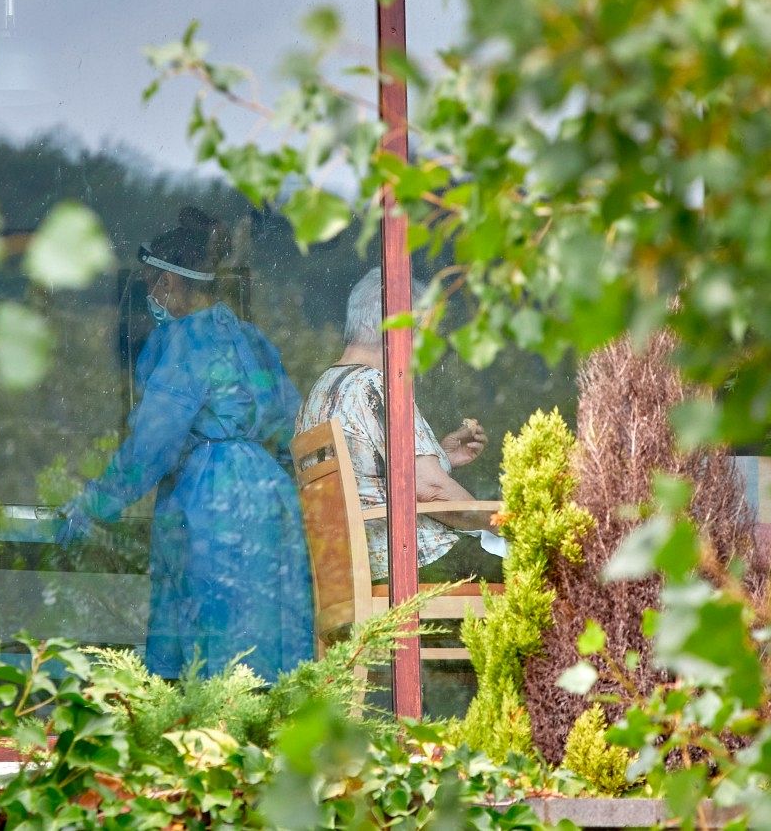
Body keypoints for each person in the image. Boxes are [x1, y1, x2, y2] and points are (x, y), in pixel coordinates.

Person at [56, 207, 314, 682]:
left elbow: (153, 443)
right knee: (272, 653)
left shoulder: (183, 342)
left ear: (168, 286)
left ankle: (210, 751)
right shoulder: (252, 342)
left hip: (213, 500)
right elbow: (294, 425)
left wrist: (95, 501)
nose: (150, 297)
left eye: (151, 285)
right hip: (273, 501)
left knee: (212, 655)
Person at [296, 269, 502, 584]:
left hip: (356, 572)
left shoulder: (321, 391)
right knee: (539, 567)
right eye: (419, 331)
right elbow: (431, 491)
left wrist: (440, 456)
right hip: (408, 566)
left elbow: (372, 480)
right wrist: (507, 522)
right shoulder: (375, 386)